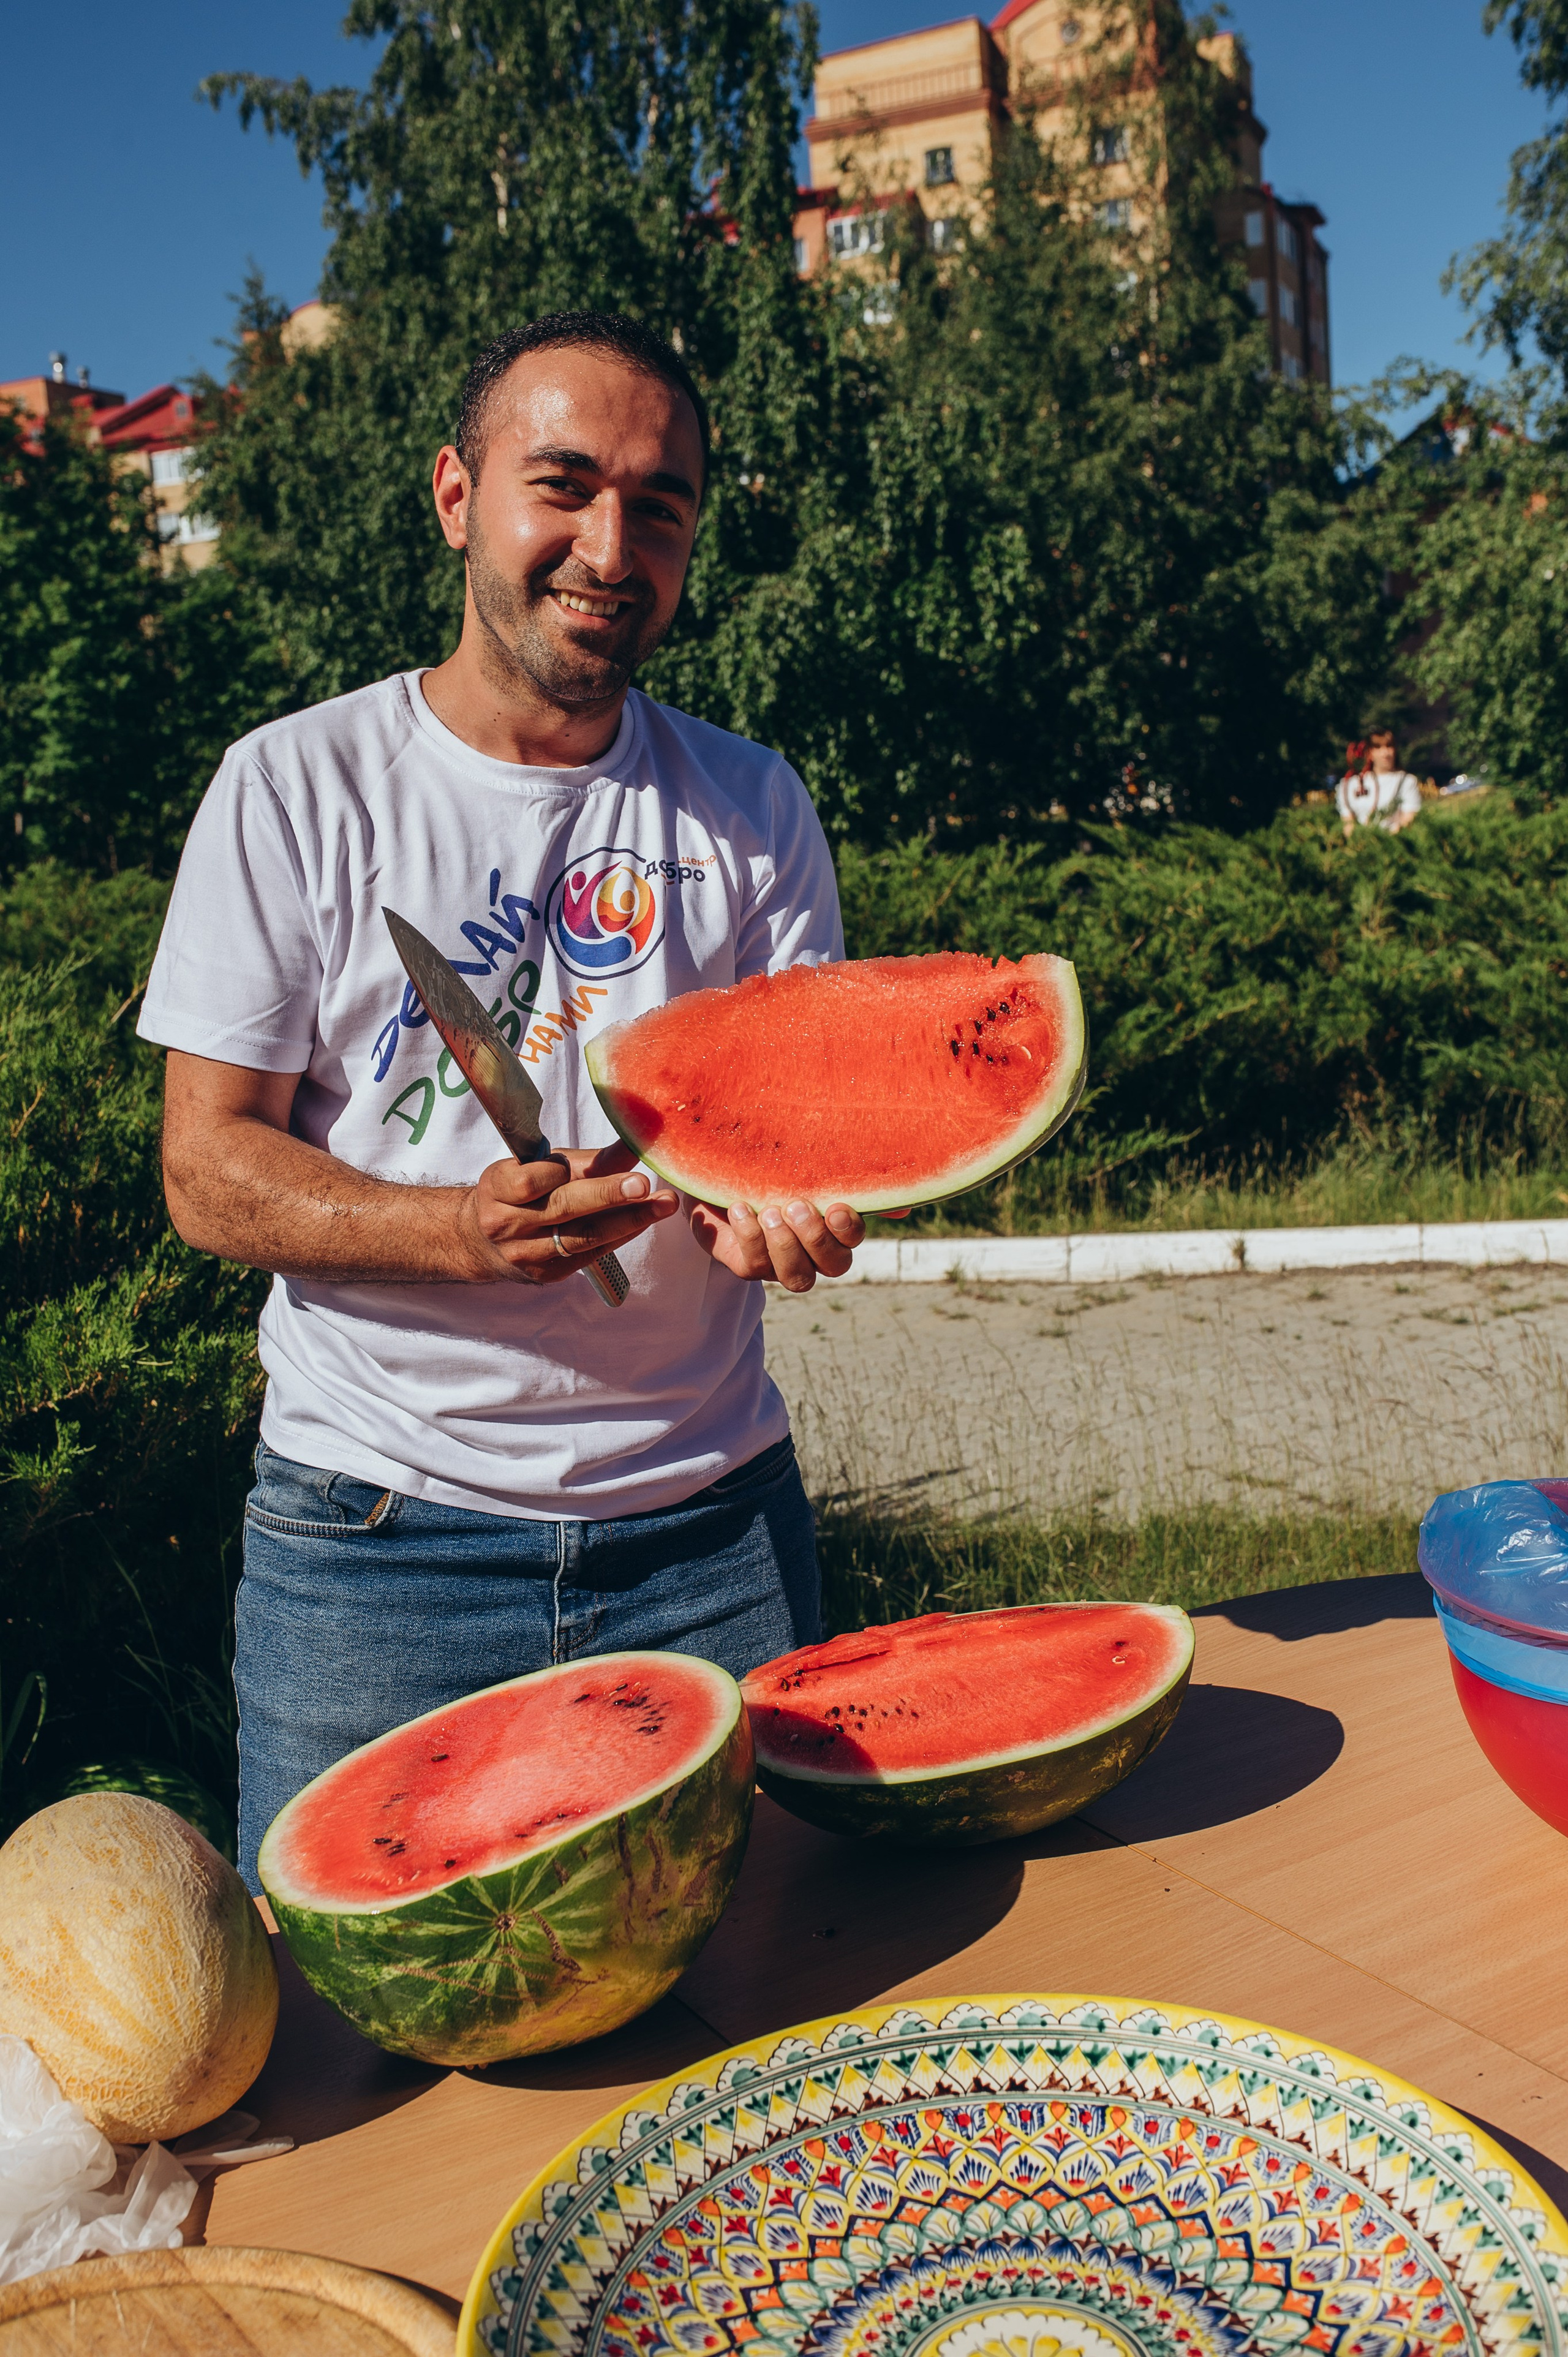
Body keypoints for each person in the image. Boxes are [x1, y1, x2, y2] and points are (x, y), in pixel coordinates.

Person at [136, 311, 865, 1890]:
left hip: (713, 1532)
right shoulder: (294, 787)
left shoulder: (752, 806)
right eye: (565, 486)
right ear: (457, 497)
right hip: (376, 1548)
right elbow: (204, 1169)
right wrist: (450, 1230)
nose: (610, 547)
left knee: (761, 1976)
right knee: (354, 2010)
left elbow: (790, 1142)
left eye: (658, 506)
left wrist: (784, 1217)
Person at [1336, 730, 1423, 837]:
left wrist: (1383, 840)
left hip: (1392, 840)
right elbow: (1348, 822)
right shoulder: (1352, 783)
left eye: (1389, 746)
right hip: (1360, 840)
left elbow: (1408, 819)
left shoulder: (1406, 781)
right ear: (1370, 752)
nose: (1385, 753)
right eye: (1378, 747)